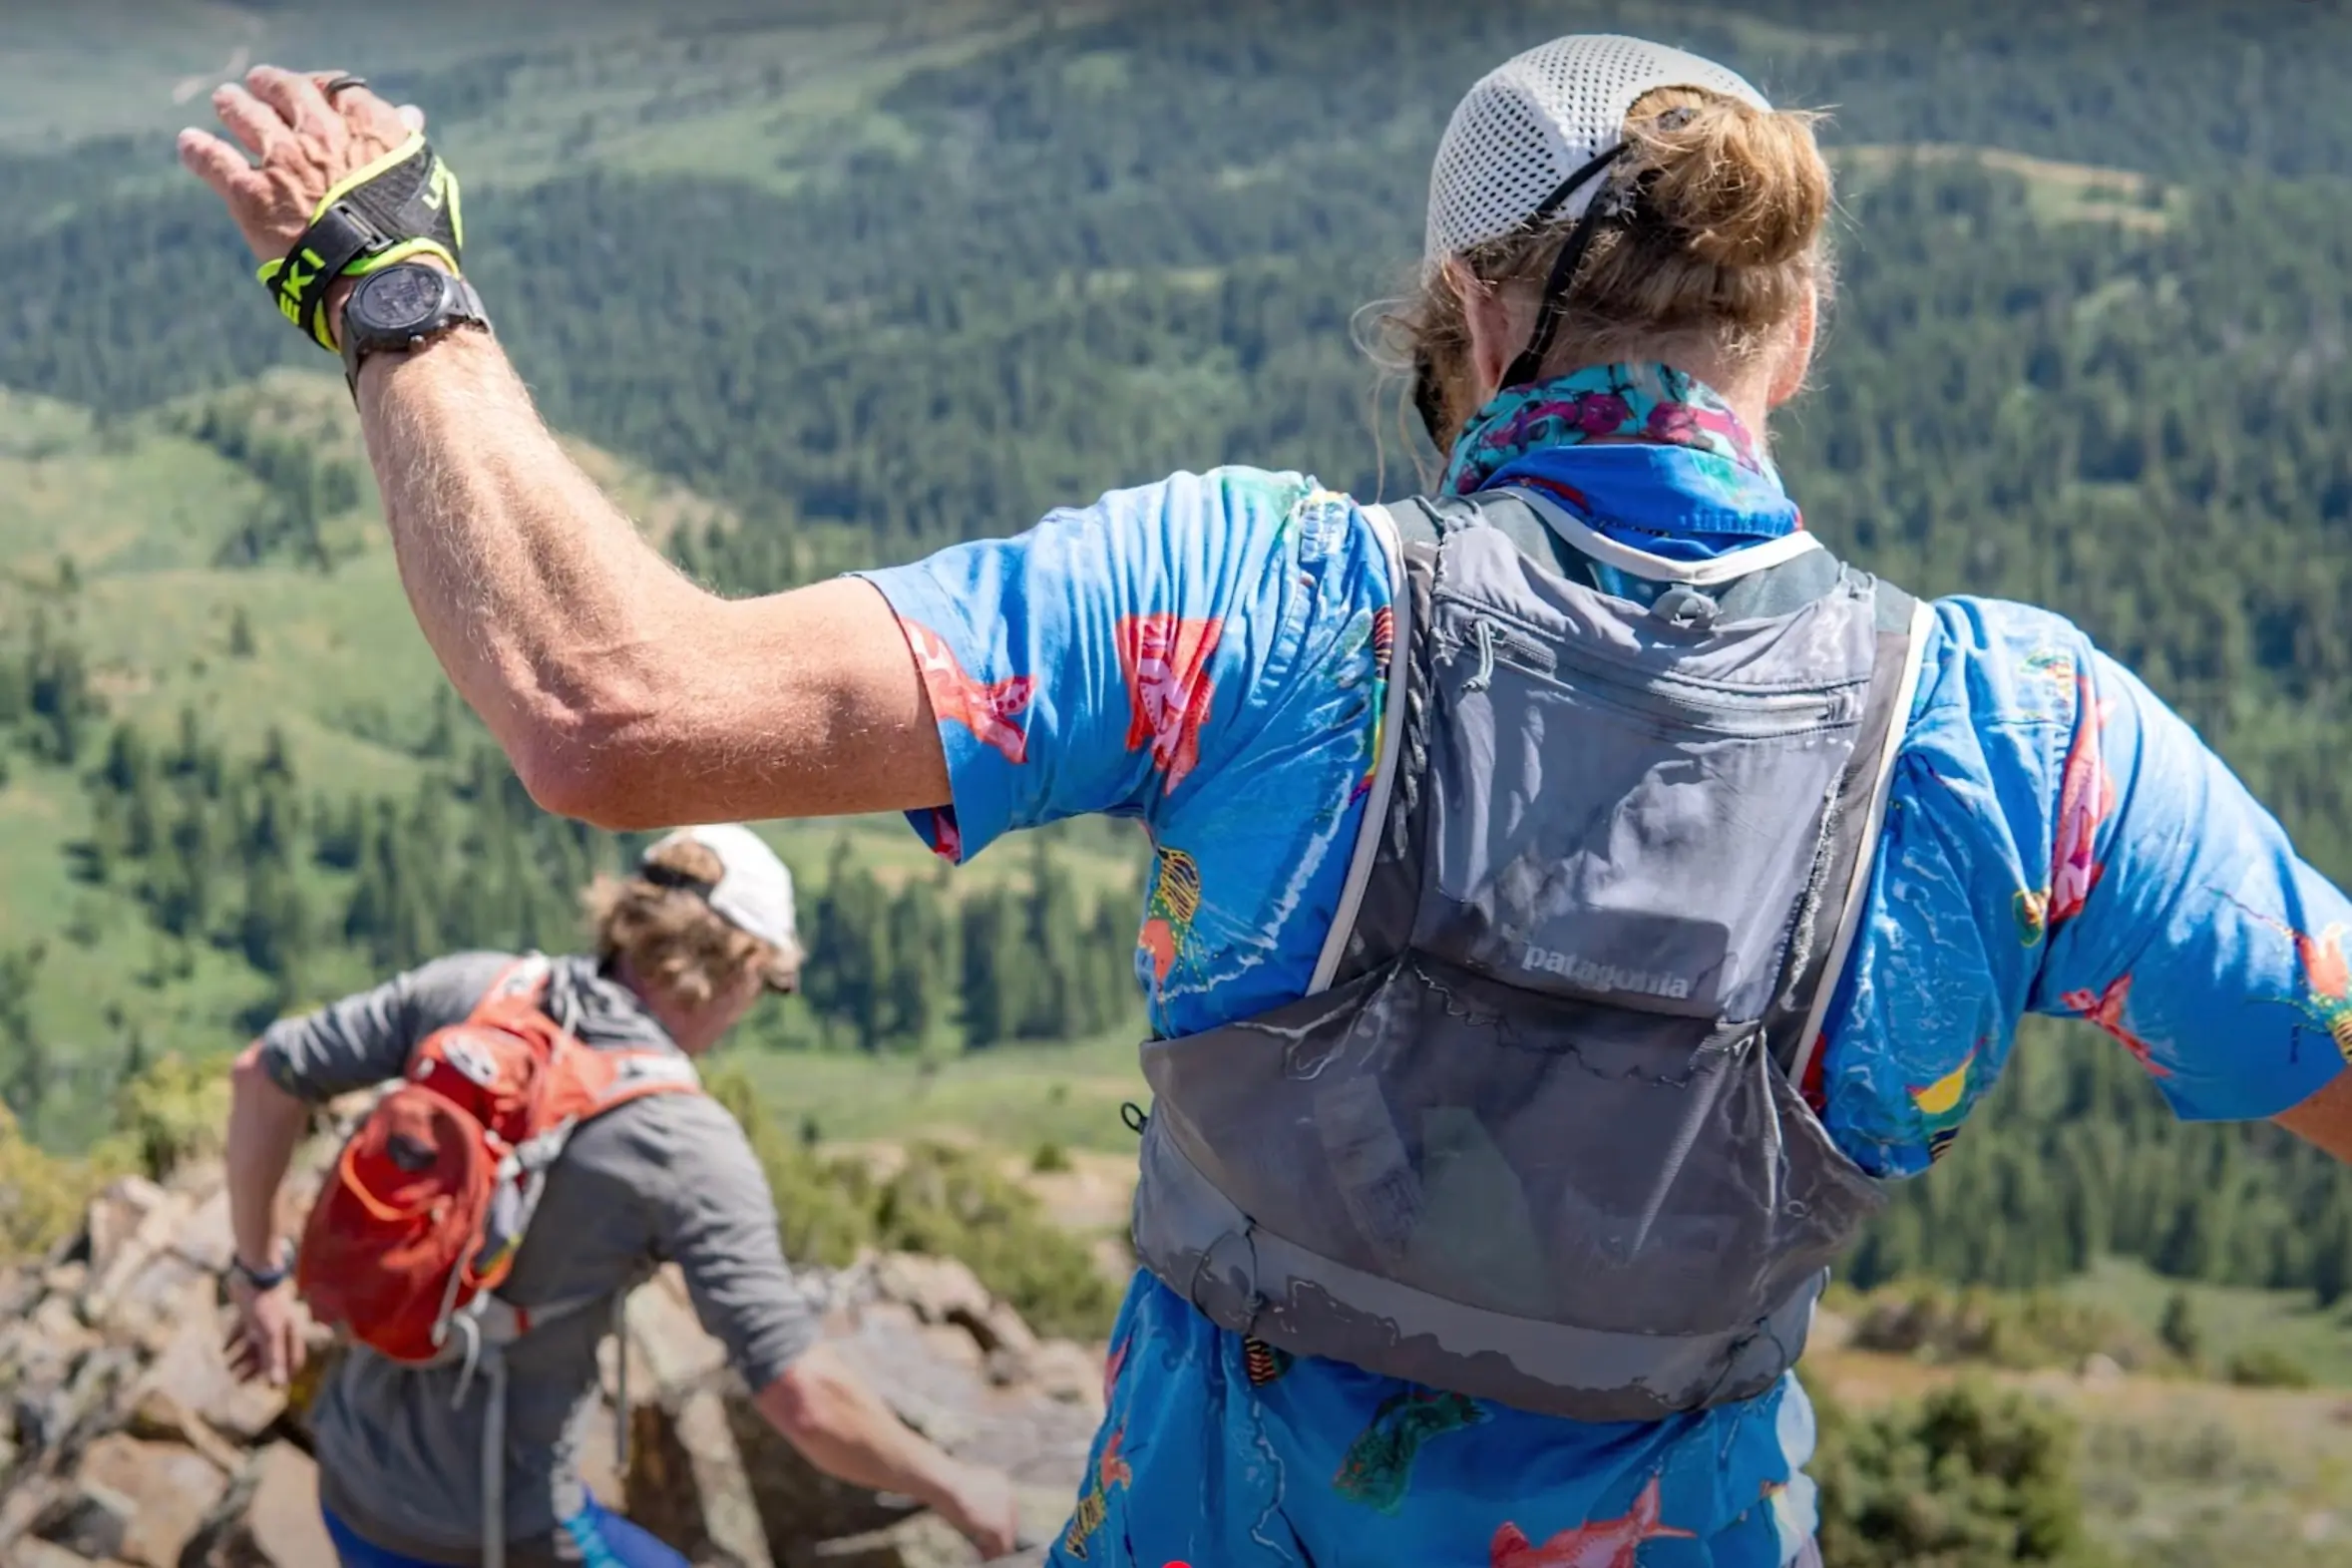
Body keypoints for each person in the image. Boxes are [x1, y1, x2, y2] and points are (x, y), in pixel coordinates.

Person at [178, 35, 2352, 1567]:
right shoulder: (2032, 744)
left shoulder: (1259, 599)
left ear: (1474, 319)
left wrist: (390, 287)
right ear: (1791, 343)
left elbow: (603, 703)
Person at [220, 825, 1021, 1567]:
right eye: (766, 986)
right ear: (736, 969)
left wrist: (258, 1277)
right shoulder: (683, 1140)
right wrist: (957, 1487)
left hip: (349, 1486)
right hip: (500, 1537)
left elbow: (262, 1073)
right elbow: (800, 1395)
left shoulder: (477, 989)